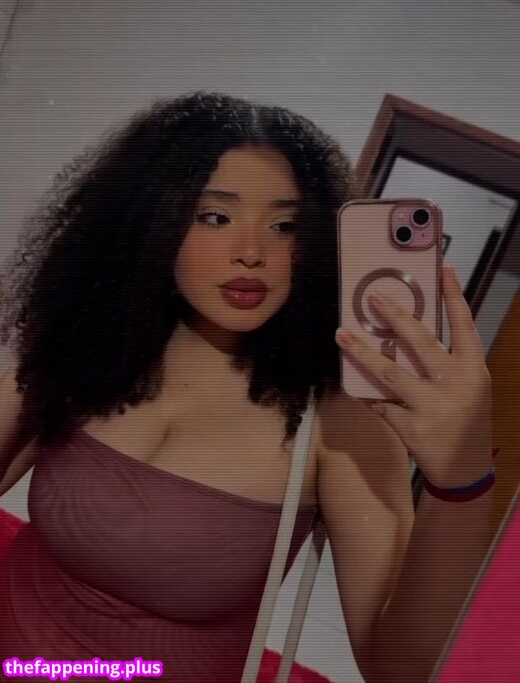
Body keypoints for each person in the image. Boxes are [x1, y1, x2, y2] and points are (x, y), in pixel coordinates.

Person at [0, 92, 494, 683]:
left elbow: (400, 669)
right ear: (155, 219)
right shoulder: (87, 350)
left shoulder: (337, 421)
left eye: (286, 226)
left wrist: (461, 481)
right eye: (216, 217)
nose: (252, 253)